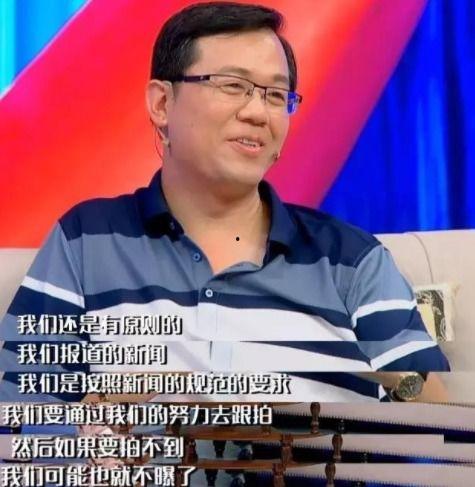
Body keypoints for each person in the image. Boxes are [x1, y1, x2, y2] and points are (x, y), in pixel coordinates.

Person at [0, 2, 449, 403]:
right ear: (162, 103)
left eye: (276, 95)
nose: (257, 113)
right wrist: (99, 426)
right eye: (233, 86)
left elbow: (441, 431)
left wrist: (400, 381)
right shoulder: (88, 241)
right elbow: (17, 414)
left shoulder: (351, 260)